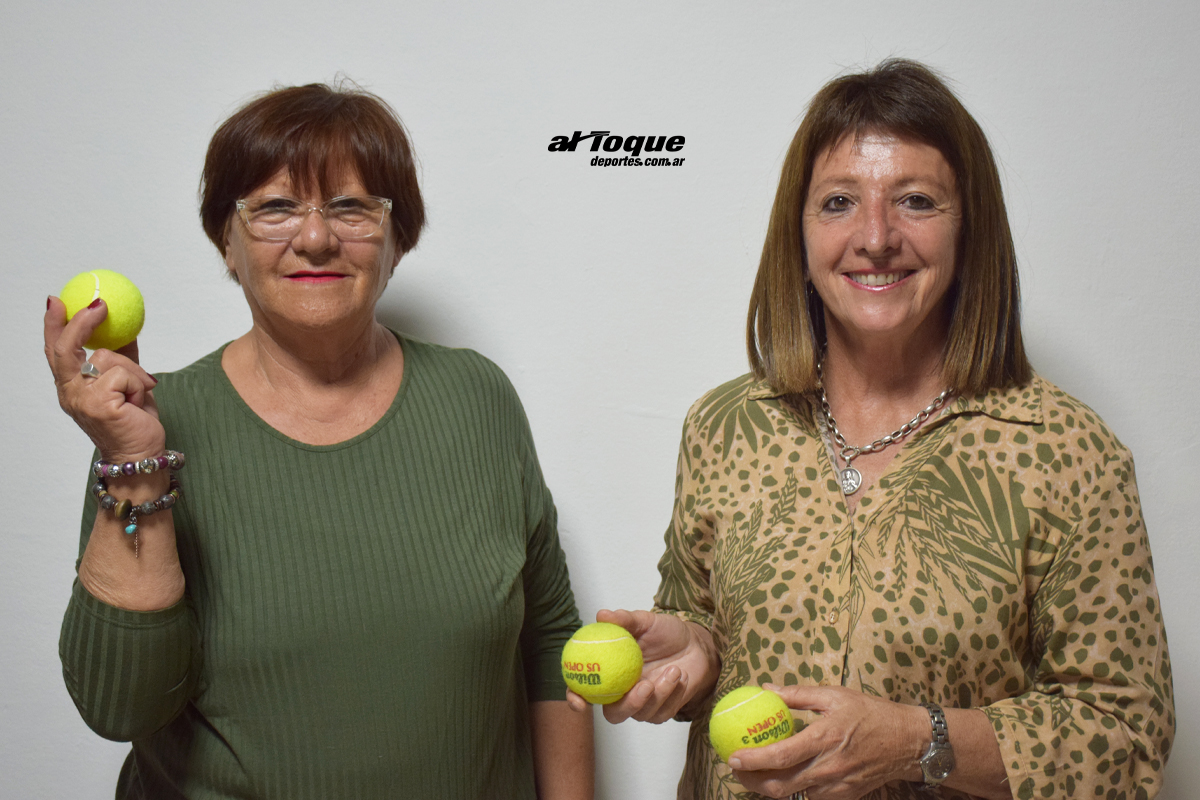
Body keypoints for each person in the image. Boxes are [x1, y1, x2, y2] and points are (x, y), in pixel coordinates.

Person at [568, 59, 1174, 800]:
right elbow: (709, 630)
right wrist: (689, 651)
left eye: (916, 201)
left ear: (969, 232)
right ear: (800, 233)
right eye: (838, 203)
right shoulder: (726, 426)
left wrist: (918, 742)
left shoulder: (1067, 454)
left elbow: (1127, 735)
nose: (876, 236)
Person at [46, 83, 593, 800]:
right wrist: (131, 465)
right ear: (227, 243)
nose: (314, 237)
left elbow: (551, 643)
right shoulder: (154, 424)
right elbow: (119, 708)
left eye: (351, 206)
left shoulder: (477, 397)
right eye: (274, 208)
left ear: (399, 238)